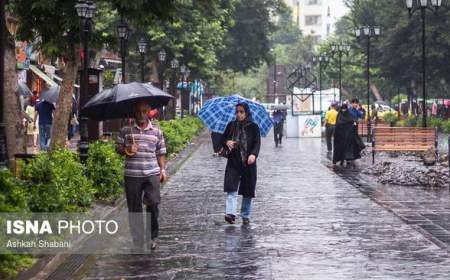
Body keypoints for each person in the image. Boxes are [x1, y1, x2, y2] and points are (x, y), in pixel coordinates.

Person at [116, 101, 167, 252]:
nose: (141, 114)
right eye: (138, 112)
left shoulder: (156, 131)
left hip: (152, 173)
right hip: (132, 174)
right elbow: (117, 148)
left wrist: (162, 170)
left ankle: (152, 237)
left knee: (153, 204)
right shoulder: (126, 131)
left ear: (149, 112)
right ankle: (137, 241)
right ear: (134, 113)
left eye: (144, 111)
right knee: (134, 208)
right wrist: (127, 149)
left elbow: (161, 152)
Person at [222, 103, 261, 225]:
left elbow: (257, 143)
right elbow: (222, 139)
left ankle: (245, 215)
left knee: (247, 190)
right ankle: (230, 213)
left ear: (246, 112)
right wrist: (227, 142)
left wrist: (253, 155)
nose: (238, 114)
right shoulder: (231, 125)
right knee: (231, 188)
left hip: (248, 163)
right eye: (237, 112)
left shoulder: (254, 127)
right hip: (234, 161)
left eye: (241, 112)